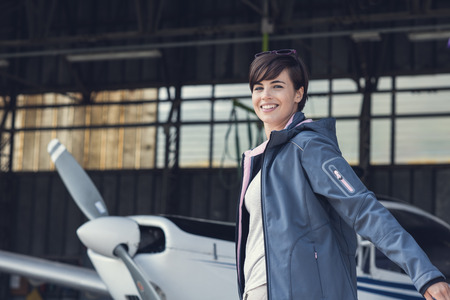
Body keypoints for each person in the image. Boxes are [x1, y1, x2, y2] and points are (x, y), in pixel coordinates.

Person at [235, 49, 450, 300]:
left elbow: (363, 209)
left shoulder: (308, 147)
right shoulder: (261, 159)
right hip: (260, 291)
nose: (266, 96)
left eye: (277, 86)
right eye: (258, 87)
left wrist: (424, 273)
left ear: (298, 93)